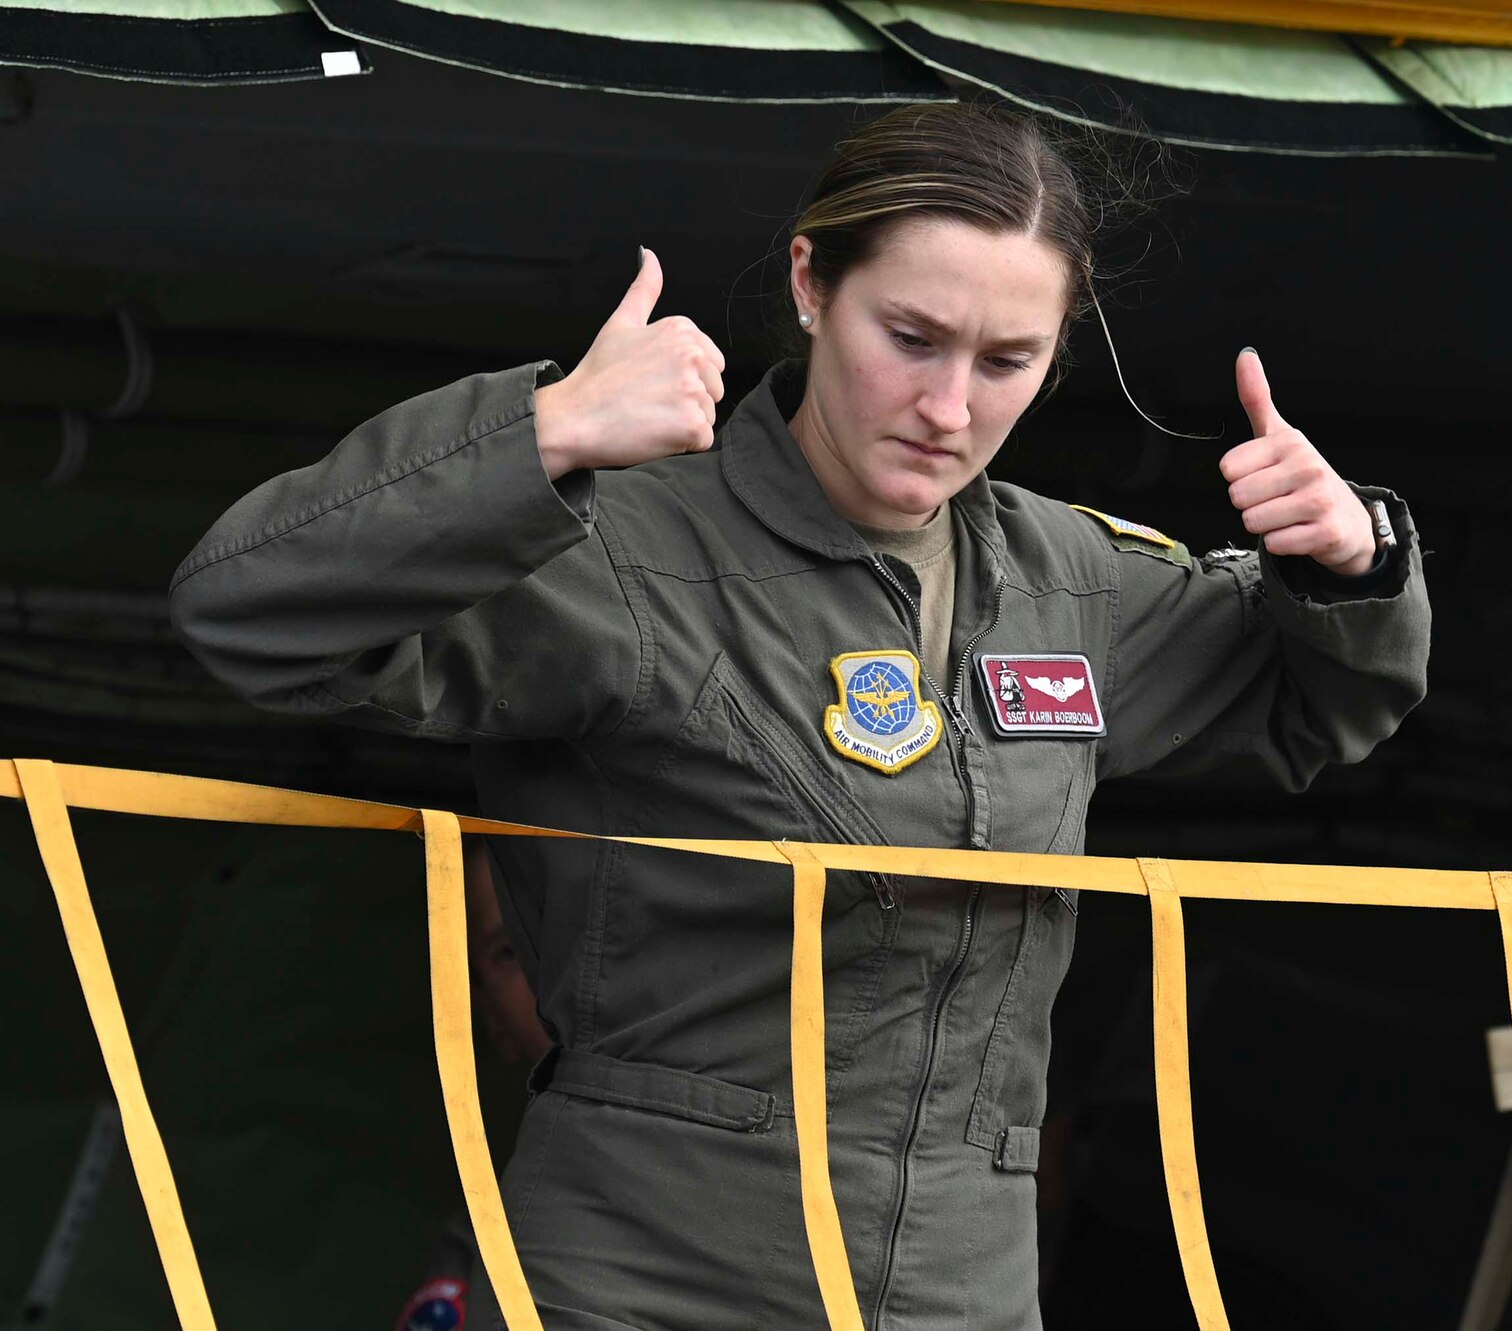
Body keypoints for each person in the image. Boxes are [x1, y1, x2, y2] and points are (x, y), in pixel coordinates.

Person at [169, 99, 1430, 1331]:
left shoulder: (1074, 582)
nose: (949, 408)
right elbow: (251, 612)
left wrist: (1349, 562)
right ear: (811, 283)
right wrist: (540, 435)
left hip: (960, 1281)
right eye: (912, 336)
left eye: (1006, 362)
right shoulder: (629, 545)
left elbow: (1312, 707)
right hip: (639, 1271)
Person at [395, 837, 554, 1331]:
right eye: (508, 950)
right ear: (492, 1021)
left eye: (561, 924)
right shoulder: (482, 1254)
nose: (546, 965)